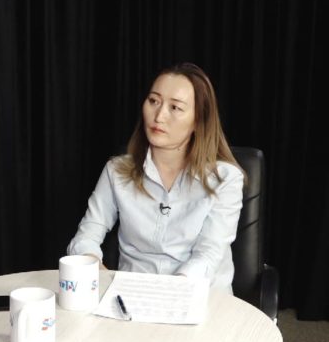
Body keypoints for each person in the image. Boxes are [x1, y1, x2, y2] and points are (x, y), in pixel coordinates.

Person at [67, 62, 244, 292]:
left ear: (198, 121)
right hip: (132, 296)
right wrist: (97, 273)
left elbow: (208, 255)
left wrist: (168, 294)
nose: (159, 116)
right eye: (154, 101)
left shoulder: (225, 179)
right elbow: (85, 237)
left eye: (175, 107)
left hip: (200, 297)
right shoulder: (117, 170)